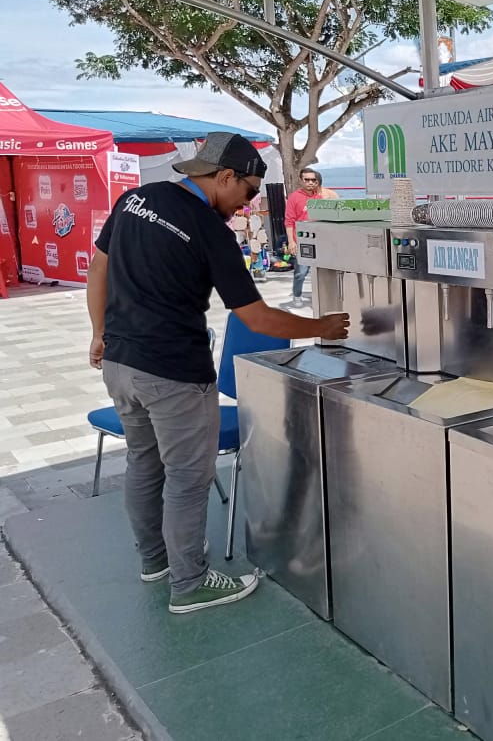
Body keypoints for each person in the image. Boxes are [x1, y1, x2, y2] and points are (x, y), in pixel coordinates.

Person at [86, 132, 350, 615]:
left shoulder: (135, 200)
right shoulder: (210, 231)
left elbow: (98, 270)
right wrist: (323, 325)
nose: (247, 204)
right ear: (224, 177)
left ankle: (156, 562)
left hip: (120, 364)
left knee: (144, 464)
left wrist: (99, 332)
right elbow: (259, 319)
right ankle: (190, 583)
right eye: (249, 191)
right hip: (173, 373)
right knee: (188, 478)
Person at [285, 169, 338, 308]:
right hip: (302, 241)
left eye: (313, 180)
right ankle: (297, 295)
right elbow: (289, 221)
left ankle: (323, 297)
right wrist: (291, 241)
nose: (310, 183)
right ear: (301, 180)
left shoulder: (321, 196)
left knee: (323, 271)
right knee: (301, 272)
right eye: (306, 179)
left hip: (320, 240)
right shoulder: (294, 197)